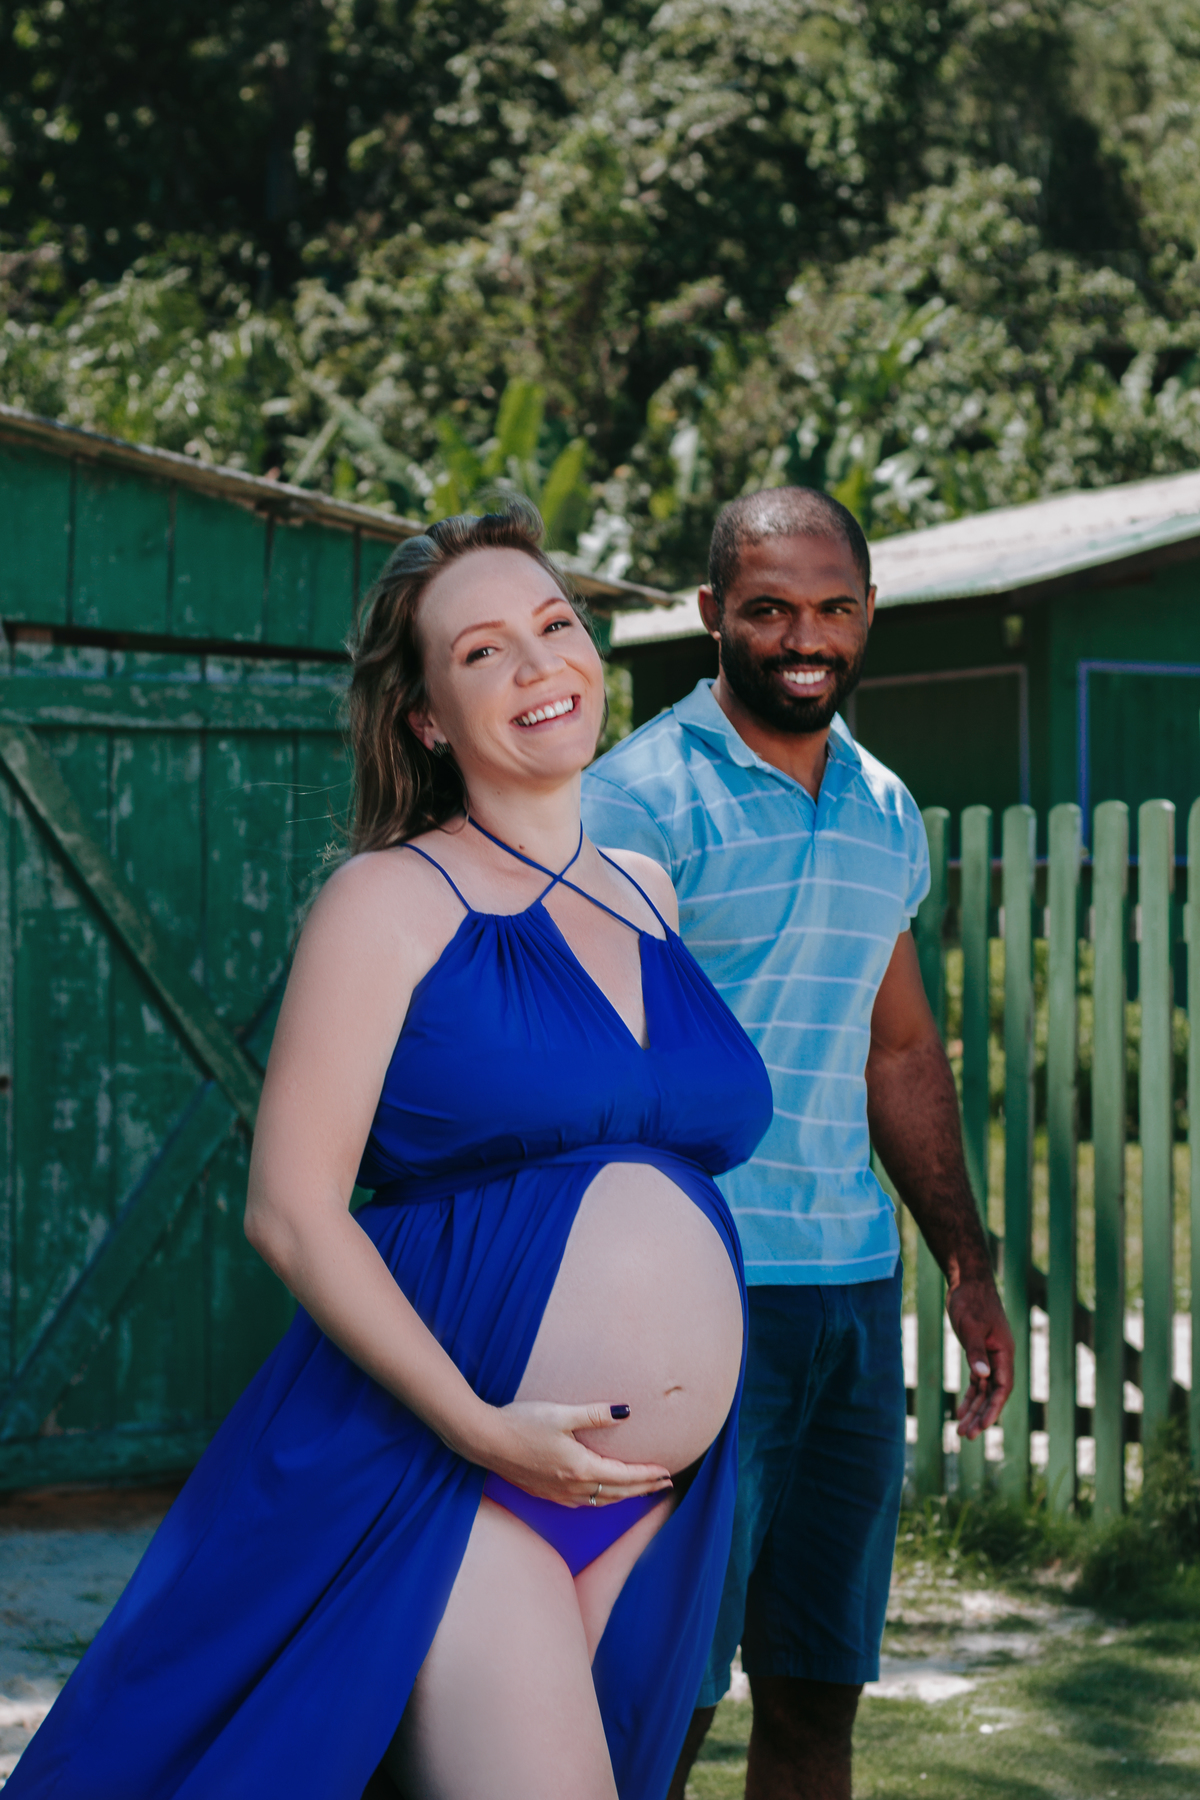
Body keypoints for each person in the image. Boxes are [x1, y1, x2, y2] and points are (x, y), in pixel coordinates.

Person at [7, 503, 773, 1800]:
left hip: (650, 1498)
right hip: (446, 1470)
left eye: (554, 624)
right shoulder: (387, 901)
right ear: (424, 717)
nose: (538, 664)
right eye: (481, 652)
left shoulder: (650, 890)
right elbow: (291, 1210)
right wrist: (483, 1429)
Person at [581, 487, 1014, 1800]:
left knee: (820, 1696)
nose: (805, 638)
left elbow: (900, 1052)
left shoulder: (886, 807)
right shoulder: (634, 802)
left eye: (832, 609)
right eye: (769, 611)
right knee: (658, 1701)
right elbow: (584, 1077)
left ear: (869, 611)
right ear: (712, 614)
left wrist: (966, 1262)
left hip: (850, 1302)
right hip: (693, 1305)